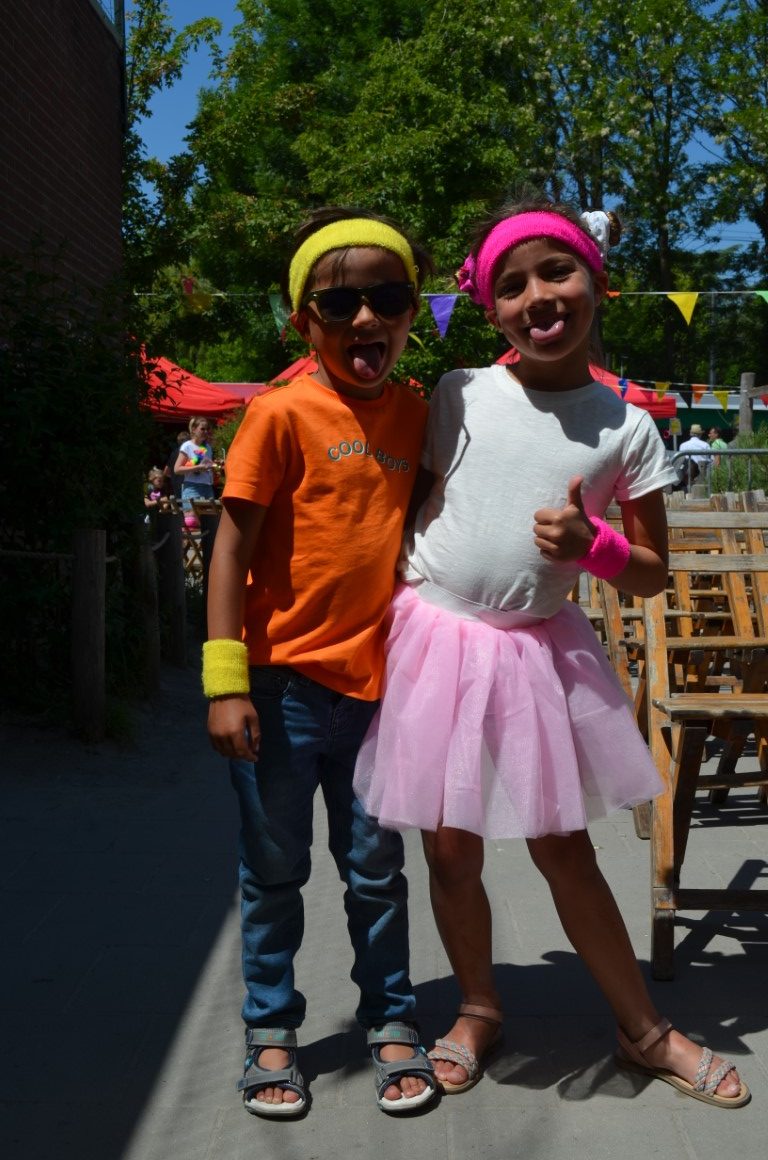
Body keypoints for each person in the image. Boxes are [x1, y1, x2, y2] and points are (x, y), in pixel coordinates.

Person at [354, 199, 750, 1108]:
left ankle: (643, 1029)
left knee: (564, 850)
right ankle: (479, 1008)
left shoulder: (627, 427)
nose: (538, 296)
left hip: (536, 653)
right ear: (489, 307)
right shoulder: (458, 392)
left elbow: (651, 572)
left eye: (556, 271)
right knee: (449, 850)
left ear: (595, 282)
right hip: (433, 643)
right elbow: (405, 504)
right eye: (512, 284)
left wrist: (594, 546)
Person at [203, 207, 438, 1119]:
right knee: (273, 872)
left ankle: (392, 1018)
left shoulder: (418, 413)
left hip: (379, 692)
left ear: (412, 311)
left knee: (376, 871)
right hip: (278, 689)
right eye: (339, 305)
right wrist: (225, 683)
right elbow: (229, 547)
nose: (365, 319)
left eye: (388, 298)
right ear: (305, 322)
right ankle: (271, 1028)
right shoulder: (278, 413)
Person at [175, 416, 215, 527]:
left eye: (207, 429)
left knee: (210, 522)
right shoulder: (187, 446)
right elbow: (177, 469)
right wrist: (197, 468)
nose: (205, 432)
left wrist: (213, 466)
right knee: (191, 522)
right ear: (193, 429)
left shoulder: (207, 447)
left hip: (207, 487)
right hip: (192, 487)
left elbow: (206, 465)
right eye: (202, 429)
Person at [677, 423, 711, 489]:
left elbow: (681, 460)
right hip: (702, 474)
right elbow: (710, 460)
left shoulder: (683, 445)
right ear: (700, 434)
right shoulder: (705, 445)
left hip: (686, 476)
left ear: (690, 434)